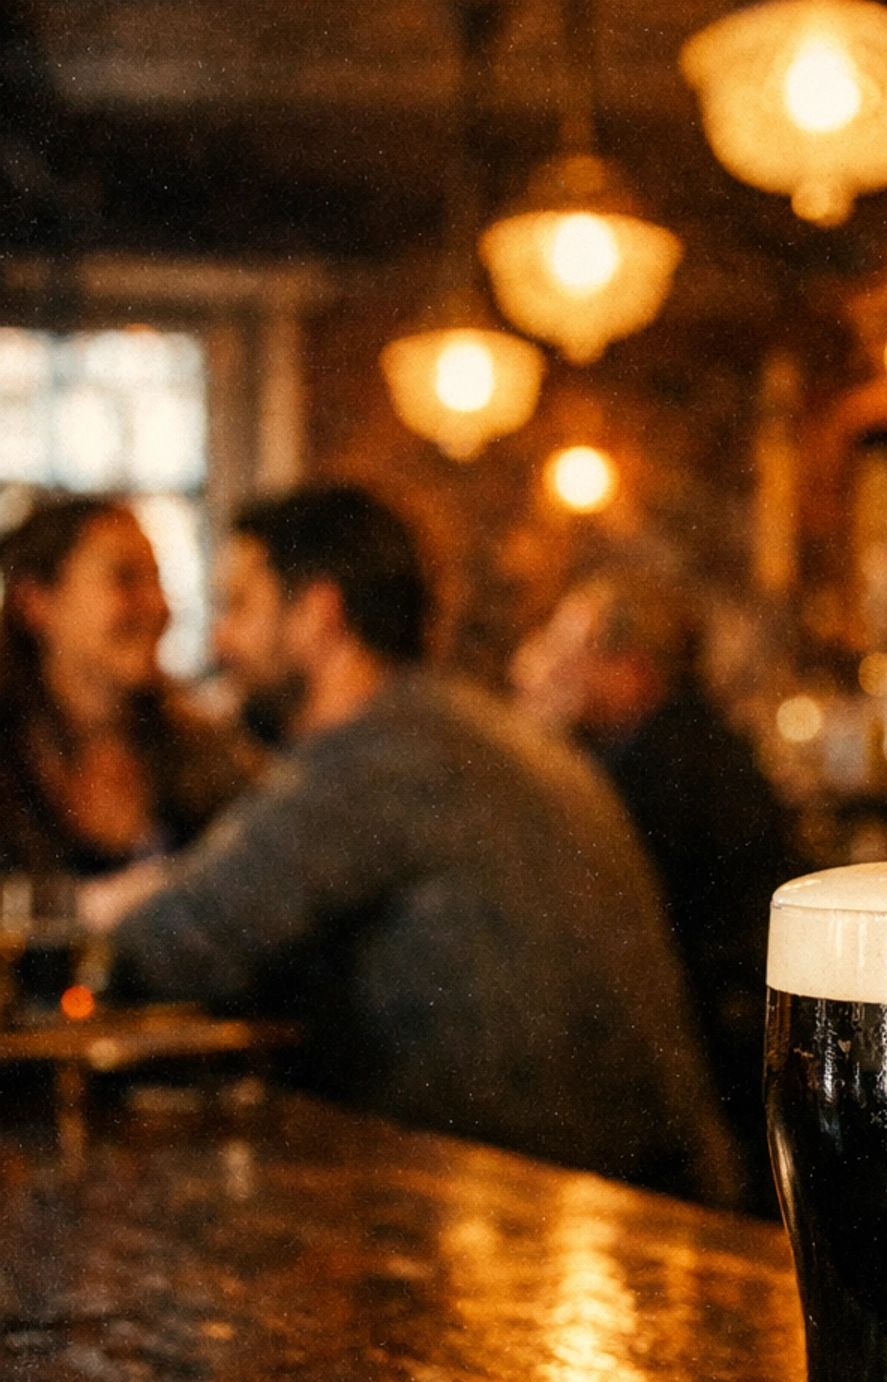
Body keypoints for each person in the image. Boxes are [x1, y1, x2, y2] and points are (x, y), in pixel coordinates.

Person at [92, 487, 740, 1207]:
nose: (218, 640)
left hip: (552, 1225)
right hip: (651, 1200)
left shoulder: (375, 758)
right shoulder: (465, 729)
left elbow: (168, 946)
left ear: (318, 614)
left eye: (239, 605)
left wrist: (116, 902)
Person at [513, 567, 803, 1214]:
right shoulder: (694, 741)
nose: (544, 666)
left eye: (570, 650)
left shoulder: (647, 768)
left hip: (712, 1072)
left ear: (631, 665)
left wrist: (538, 741)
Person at [0, 495, 257, 877]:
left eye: (157, 580)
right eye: (125, 578)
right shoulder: (11, 758)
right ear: (36, 602)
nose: (160, 606)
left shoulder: (204, 752)